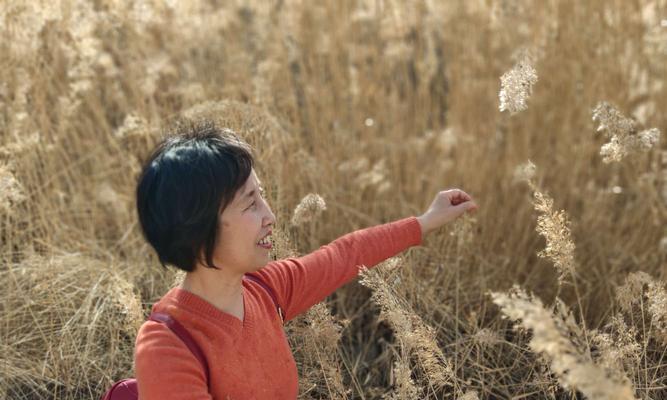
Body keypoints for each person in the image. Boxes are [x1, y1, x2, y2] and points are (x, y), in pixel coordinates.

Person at [133, 120, 478, 400]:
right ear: (199, 226)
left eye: (262, 196)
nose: (270, 216)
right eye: (251, 203)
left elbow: (344, 255)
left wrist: (424, 222)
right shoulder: (168, 348)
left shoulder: (264, 289)